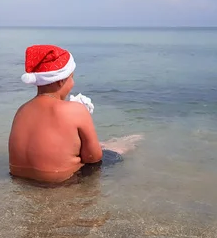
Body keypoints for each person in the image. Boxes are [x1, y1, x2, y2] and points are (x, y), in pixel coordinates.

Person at [8, 44, 141, 184]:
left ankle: (106, 144)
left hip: (19, 178)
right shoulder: (76, 110)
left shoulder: (22, 110)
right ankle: (118, 146)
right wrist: (83, 114)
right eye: (71, 77)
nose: (73, 82)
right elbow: (93, 158)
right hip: (58, 182)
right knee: (114, 155)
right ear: (60, 81)